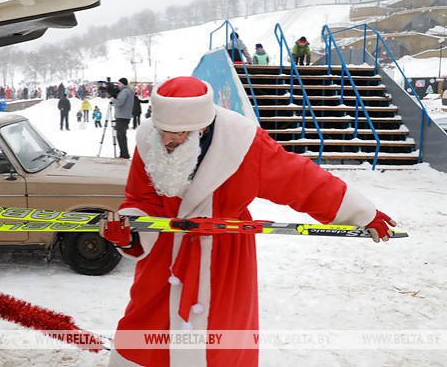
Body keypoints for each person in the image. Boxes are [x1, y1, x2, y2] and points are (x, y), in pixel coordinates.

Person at [100, 76, 397, 367]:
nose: (166, 140)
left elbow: (300, 180)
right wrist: (130, 231)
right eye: (162, 129)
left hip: (223, 259)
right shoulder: (149, 139)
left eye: (177, 134)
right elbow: (141, 198)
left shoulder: (243, 142)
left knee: (219, 340)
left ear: (200, 127)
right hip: (163, 259)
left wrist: (362, 213)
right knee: (145, 336)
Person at [111, 77, 135, 159]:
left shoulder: (124, 92)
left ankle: (124, 154)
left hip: (122, 116)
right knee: (122, 136)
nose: (118, 85)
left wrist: (113, 99)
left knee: (121, 136)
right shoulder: (128, 91)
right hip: (125, 116)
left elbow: (120, 103)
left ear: (122, 83)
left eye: (119, 83)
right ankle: (124, 153)